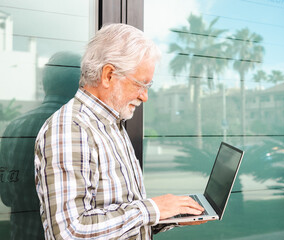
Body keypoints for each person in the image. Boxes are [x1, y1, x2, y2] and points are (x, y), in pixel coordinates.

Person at [34, 23, 206, 240]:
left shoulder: (111, 124)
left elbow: (116, 222)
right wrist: (151, 209)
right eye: (140, 84)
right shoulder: (71, 129)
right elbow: (71, 232)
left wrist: (168, 215)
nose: (145, 96)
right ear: (108, 75)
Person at [0, 51, 81, 239]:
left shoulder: (14, 128)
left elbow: (6, 196)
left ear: (45, 85)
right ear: (80, 85)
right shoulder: (80, 129)